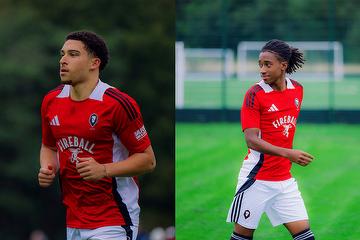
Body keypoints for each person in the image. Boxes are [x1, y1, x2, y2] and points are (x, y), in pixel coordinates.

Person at [38, 31, 156, 240]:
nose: (63, 60)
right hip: (73, 219)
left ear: (94, 63)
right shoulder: (51, 100)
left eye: (73, 54)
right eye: (62, 54)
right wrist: (48, 167)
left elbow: (148, 160)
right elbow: (49, 146)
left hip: (114, 218)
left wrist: (103, 170)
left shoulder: (117, 104)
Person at [226, 39, 315, 240]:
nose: (262, 70)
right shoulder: (254, 94)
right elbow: (251, 140)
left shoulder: (297, 90)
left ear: (283, 65)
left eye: (268, 64)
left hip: (284, 181)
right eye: (260, 65)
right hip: (256, 179)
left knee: (306, 237)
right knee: (241, 238)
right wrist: (288, 153)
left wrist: (286, 155)